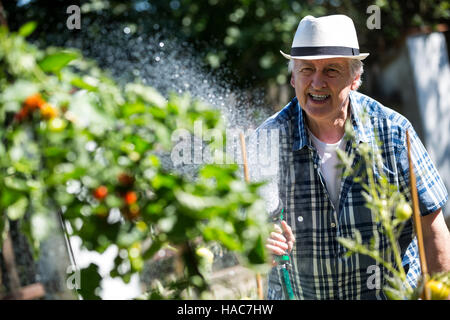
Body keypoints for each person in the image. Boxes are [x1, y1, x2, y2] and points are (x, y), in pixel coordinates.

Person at [258, 14, 450, 299]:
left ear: (355, 77)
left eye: (332, 71)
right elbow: (247, 230)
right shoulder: (267, 141)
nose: (317, 82)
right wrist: (258, 243)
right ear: (293, 76)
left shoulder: (394, 134)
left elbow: (433, 233)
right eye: (307, 69)